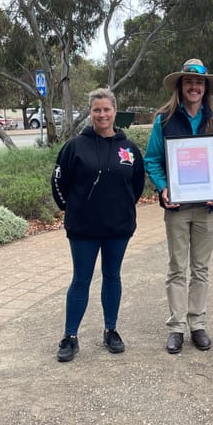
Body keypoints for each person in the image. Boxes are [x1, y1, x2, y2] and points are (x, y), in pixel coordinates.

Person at [144, 59, 213, 354]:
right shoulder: (165, 119)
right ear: (180, 87)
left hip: (208, 207)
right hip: (178, 207)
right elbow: (153, 160)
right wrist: (164, 187)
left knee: (201, 268)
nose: (193, 87)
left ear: (205, 87)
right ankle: (176, 327)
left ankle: (197, 324)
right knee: (176, 268)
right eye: (188, 82)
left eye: (198, 83)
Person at [51, 88, 145, 362]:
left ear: (115, 111)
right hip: (83, 229)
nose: (102, 114)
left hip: (118, 227)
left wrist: (123, 206)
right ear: (90, 113)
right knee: (81, 279)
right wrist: (71, 209)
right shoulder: (74, 146)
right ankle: (70, 336)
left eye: (106, 109)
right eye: (96, 110)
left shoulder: (128, 149)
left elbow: (137, 184)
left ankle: (111, 330)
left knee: (112, 276)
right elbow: (59, 182)